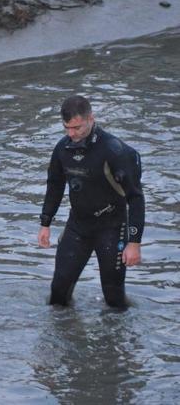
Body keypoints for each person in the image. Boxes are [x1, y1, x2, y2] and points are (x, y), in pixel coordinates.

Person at [38, 95, 144, 308]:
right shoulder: (62, 148)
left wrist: (134, 243)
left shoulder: (115, 151)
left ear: (90, 118)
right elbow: (54, 186)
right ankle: (62, 336)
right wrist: (45, 223)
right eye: (67, 128)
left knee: (113, 299)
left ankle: (117, 339)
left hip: (112, 228)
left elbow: (135, 198)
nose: (72, 134)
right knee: (58, 293)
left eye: (77, 128)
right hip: (78, 226)